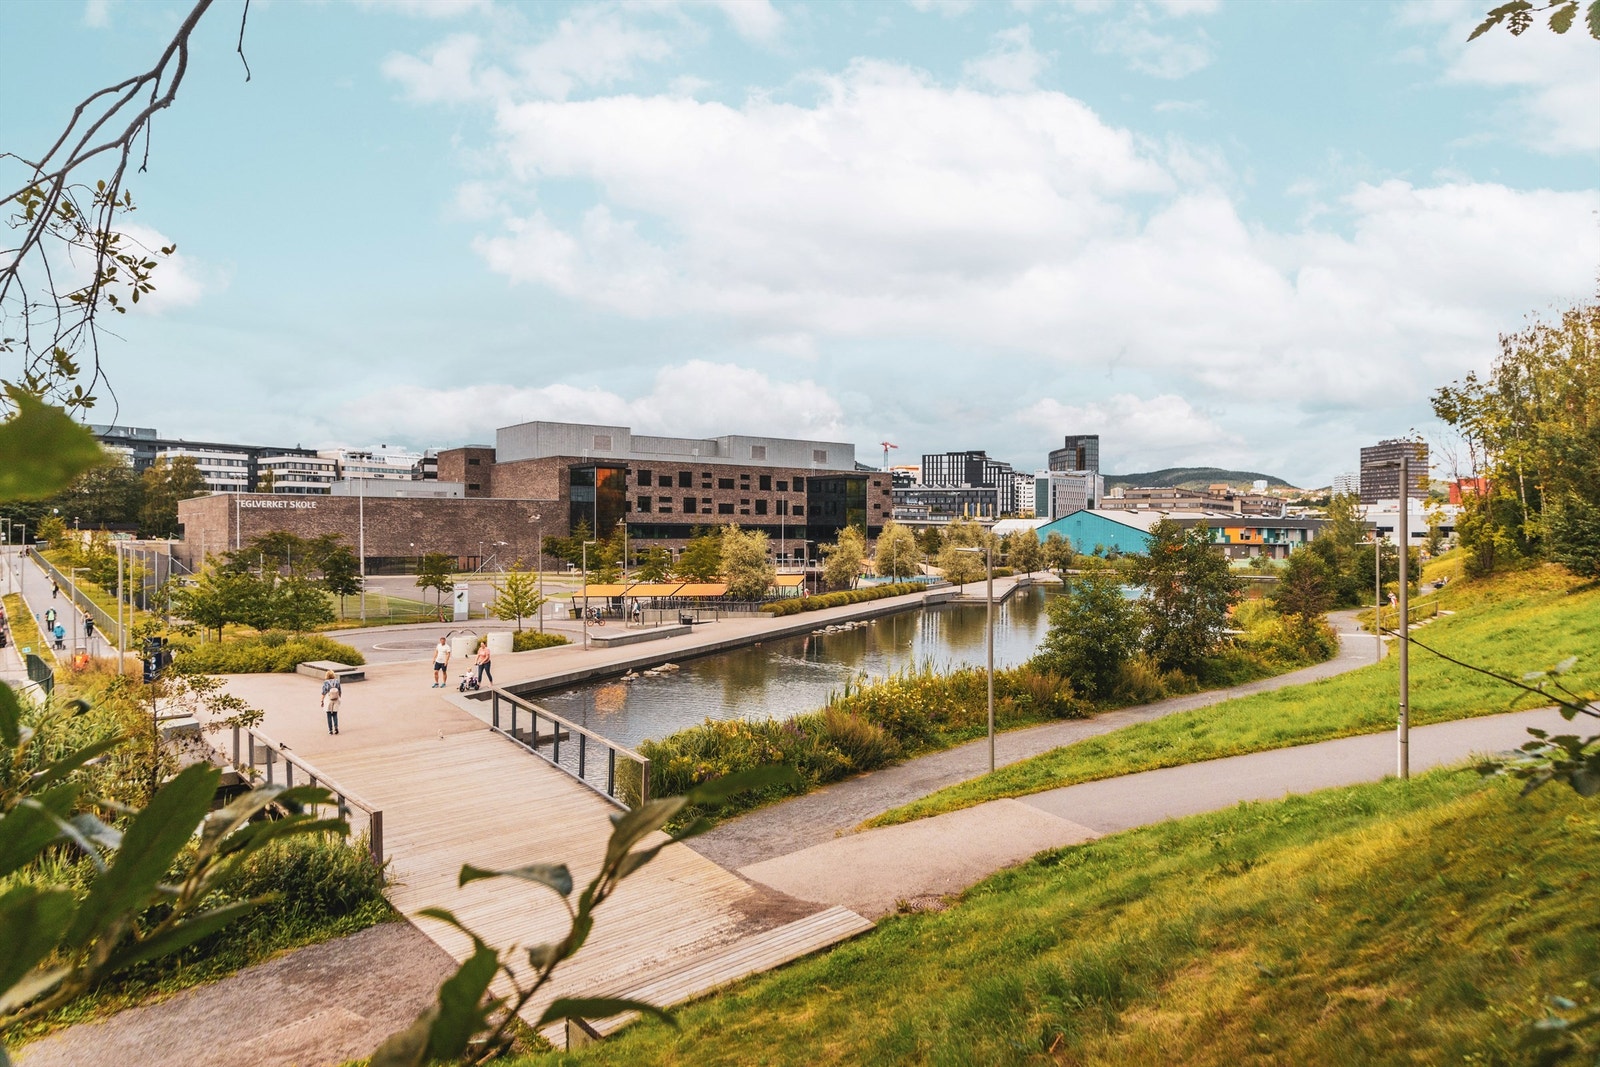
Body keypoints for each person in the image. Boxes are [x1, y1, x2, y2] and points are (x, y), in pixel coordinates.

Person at [321, 670, 343, 735]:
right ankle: (336, 727)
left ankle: (330, 730)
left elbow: (323, 692)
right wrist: (339, 697)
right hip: (336, 698)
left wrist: (322, 701)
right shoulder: (337, 681)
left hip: (328, 699)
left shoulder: (326, 682)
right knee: (335, 714)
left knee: (329, 715)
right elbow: (340, 690)